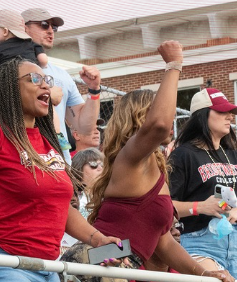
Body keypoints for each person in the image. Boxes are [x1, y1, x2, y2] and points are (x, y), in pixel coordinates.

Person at [61, 41, 233, 282]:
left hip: (115, 263)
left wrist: (205, 274)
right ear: (142, 118)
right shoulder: (130, 157)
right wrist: (174, 65)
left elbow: (162, 241)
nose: (171, 113)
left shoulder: (151, 165)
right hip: (97, 260)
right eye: (161, 107)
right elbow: (160, 124)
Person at [0, 57, 122, 282]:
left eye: (47, 80)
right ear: (10, 87)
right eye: (35, 79)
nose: (45, 85)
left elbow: (61, 208)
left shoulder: (48, 141)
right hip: (3, 263)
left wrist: (97, 239)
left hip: (48, 267)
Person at [170, 88, 237, 276]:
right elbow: (166, 205)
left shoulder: (232, 154)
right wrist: (200, 207)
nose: (230, 117)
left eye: (230, 112)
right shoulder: (182, 155)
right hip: (201, 243)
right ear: (203, 115)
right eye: (222, 111)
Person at [22, 8, 101, 164]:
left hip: (60, 163)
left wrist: (94, 89)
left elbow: (82, 127)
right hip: (27, 159)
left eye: (54, 27)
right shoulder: (8, 67)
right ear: (24, 28)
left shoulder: (61, 74)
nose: (51, 31)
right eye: (44, 25)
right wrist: (48, 96)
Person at [0, 9, 48, 90]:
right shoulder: (32, 44)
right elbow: (43, 60)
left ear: (5, 31)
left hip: (10, 85)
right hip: (31, 81)